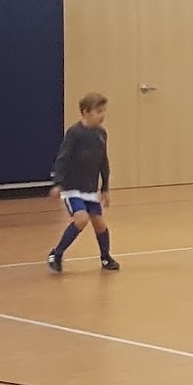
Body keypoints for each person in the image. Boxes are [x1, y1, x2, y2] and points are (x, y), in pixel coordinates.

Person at [47, 92, 119, 273]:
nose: (102, 115)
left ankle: (105, 257)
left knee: (100, 224)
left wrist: (105, 188)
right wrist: (58, 183)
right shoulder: (75, 133)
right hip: (72, 188)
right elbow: (62, 159)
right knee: (81, 219)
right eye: (98, 111)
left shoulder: (101, 134)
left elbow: (104, 161)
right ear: (85, 112)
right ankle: (56, 254)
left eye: (104, 111)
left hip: (90, 188)